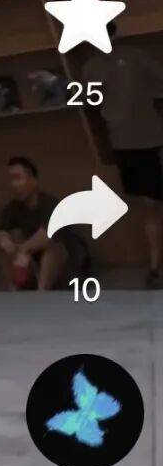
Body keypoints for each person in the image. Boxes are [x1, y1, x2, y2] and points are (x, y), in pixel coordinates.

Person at [81, 21, 163, 288]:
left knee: (152, 204)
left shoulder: (134, 56)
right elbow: (91, 105)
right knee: (147, 205)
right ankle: (155, 267)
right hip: (123, 144)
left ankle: (154, 267)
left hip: (150, 140)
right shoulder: (91, 68)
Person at [0, 155, 91, 291]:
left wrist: (22, 249)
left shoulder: (50, 204)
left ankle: (41, 295)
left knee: (53, 247)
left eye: (18, 178)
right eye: (12, 180)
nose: (14, 184)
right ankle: (15, 292)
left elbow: (46, 235)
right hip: (34, 266)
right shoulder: (14, 208)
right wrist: (1, 238)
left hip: (68, 269)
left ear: (33, 181)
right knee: (8, 242)